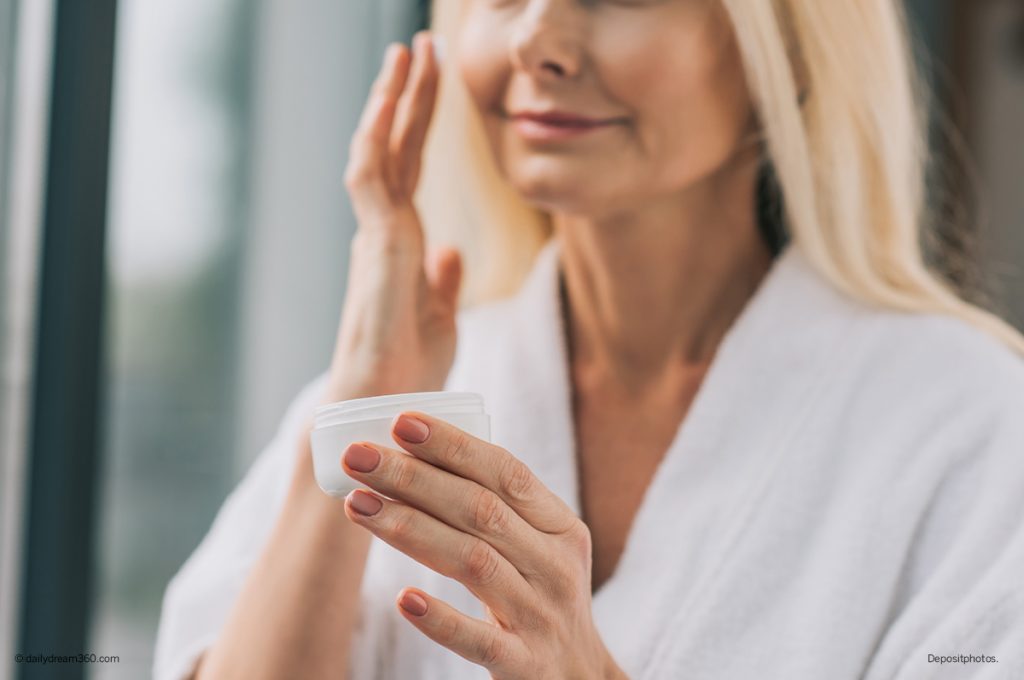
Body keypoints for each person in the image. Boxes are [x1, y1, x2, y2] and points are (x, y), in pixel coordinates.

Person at [154, 1, 1024, 678]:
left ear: (786, 49)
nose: (539, 40)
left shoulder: (967, 422)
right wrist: (360, 404)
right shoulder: (387, 398)